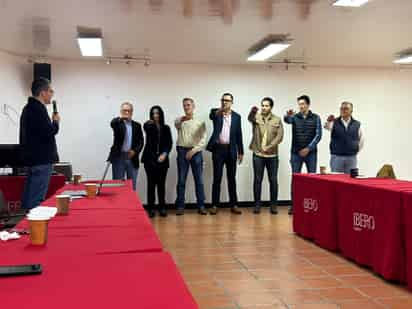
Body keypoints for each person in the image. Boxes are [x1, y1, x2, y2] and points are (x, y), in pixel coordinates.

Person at [20, 78, 60, 210]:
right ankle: (35, 228)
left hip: (33, 160)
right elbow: (49, 132)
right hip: (42, 161)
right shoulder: (38, 110)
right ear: (43, 93)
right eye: (50, 91)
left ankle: (27, 226)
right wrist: (55, 122)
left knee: (29, 198)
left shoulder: (28, 108)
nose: (52, 94)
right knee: (36, 200)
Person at [206, 93, 244, 215]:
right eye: (223, 100)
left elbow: (239, 135)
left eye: (227, 100)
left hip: (231, 150)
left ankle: (234, 205)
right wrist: (221, 110)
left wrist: (241, 152)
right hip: (218, 150)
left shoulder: (237, 117)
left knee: (231, 178)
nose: (225, 102)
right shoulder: (216, 113)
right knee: (217, 178)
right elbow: (211, 115)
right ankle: (214, 205)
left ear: (232, 102)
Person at [284, 95, 322, 215]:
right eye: (299, 104)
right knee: (295, 180)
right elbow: (287, 120)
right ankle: (294, 206)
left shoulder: (316, 118)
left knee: (312, 180)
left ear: (308, 105)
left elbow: (318, 135)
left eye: (303, 104)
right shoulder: (294, 117)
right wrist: (287, 115)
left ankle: (312, 205)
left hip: (311, 154)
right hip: (296, 153)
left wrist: (308, 148)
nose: (301, 106)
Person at [248, 97, 284, 215]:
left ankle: (273, 205)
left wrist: (269, 147)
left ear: (271, 107)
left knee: (273, 180)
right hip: (258, 154)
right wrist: (253, 111)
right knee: (257, 180)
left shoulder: (277, 120)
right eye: (262, 105)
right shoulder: (256, 117)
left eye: (266, 106)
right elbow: (250, 118)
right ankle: (257, 205)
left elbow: (280, 137)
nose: (264, 107)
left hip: (272, 155)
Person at [174, 98, 207, 216]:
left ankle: (201, 206)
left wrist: (193, 151)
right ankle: (180, 206)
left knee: (199, 180)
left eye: (188, 105)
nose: (186, 107)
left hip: (196, 152)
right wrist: (181, 119)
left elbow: (203, 140)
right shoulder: (180, 121)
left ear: (193, 106)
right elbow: (176, 123)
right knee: (181, 180)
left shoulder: (200, 122)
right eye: (184, 105)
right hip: (182, 151)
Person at [142, 106, 173, 218]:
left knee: (161, 185)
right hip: (149, 160)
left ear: (161, 114)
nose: (155, 115)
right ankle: (151, 208)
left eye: (158, 113)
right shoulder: (148, 126)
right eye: (153, 113)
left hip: (162, 160)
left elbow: (169, 143)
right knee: (151, 185)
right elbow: (145, 127)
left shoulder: (166, 128)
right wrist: (148, 124)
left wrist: (164, 154)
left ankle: (162, 207)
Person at [108, 102, 144, 191]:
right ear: (121, 111)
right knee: (117, 185)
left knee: (132, 187)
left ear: (132, 112)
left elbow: (141, 141)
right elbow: (112, 123)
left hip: (132, 157)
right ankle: (118, 204)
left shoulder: (137, 125)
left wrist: (135, 151)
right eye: (125, 110)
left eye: (129, 111)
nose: (127, 113)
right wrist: (121, 118)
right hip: (119, 157)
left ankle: (130, 204)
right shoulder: (117, 124)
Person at [324, 101, 364, 174]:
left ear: (351, 111)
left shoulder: (357, 124)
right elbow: (327, 127)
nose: (343, 110)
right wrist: (329, 121)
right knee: (336, 180)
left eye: (346, 108)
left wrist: (355, 150)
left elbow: (361, 140)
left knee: (350, 181)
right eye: (341, 108)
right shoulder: (334, 122)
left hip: (351, 158)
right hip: (337, 157)